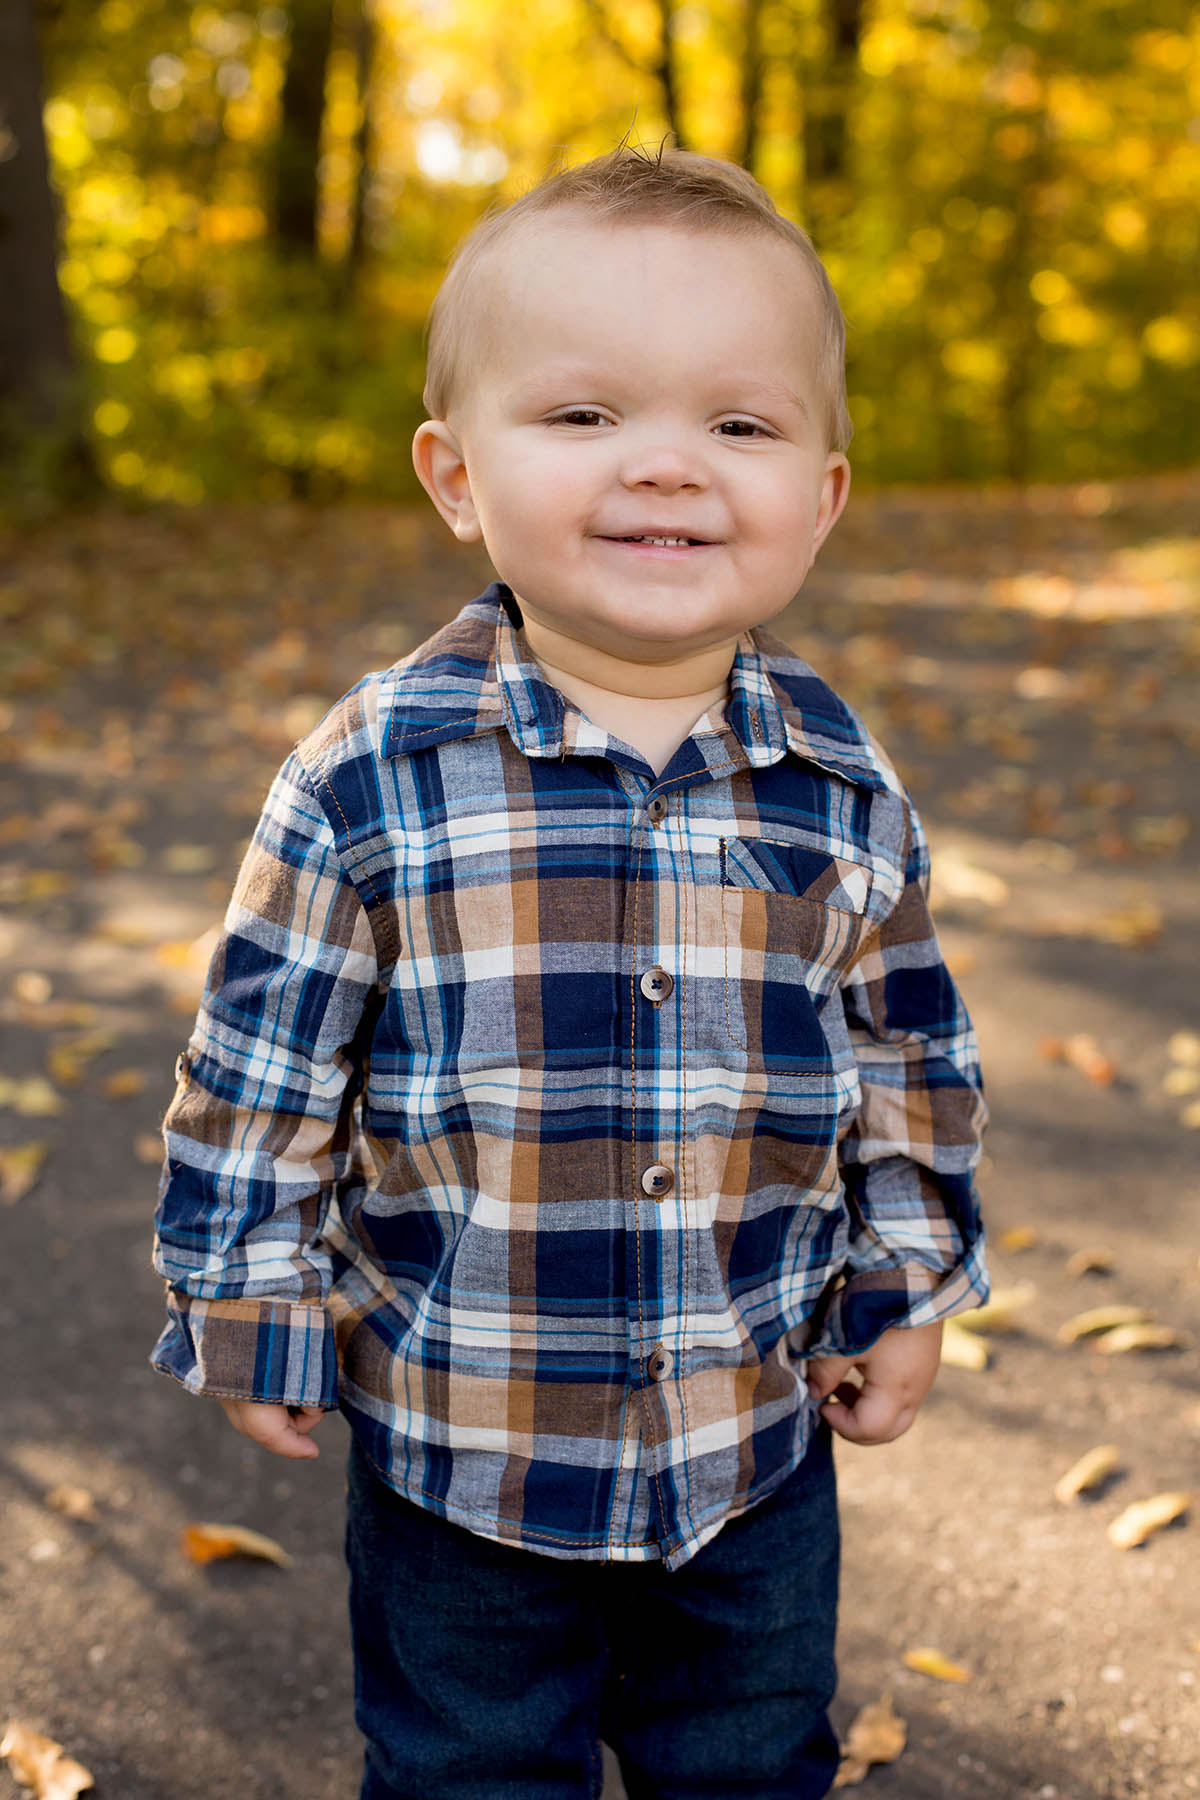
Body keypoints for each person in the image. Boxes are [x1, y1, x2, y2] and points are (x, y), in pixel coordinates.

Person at [152, 141, 988, 1799]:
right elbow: (264, 1062)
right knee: (469, 1768)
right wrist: (246, 1287)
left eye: (738, 425)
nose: (668, 467)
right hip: (464, 1449)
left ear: (821, 492)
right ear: (457, 476)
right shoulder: (373, 772)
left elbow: (908, 1053)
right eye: (586, 416)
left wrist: (908, 1277)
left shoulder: (838, 775)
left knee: (751, 1759)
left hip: (748, 1449)